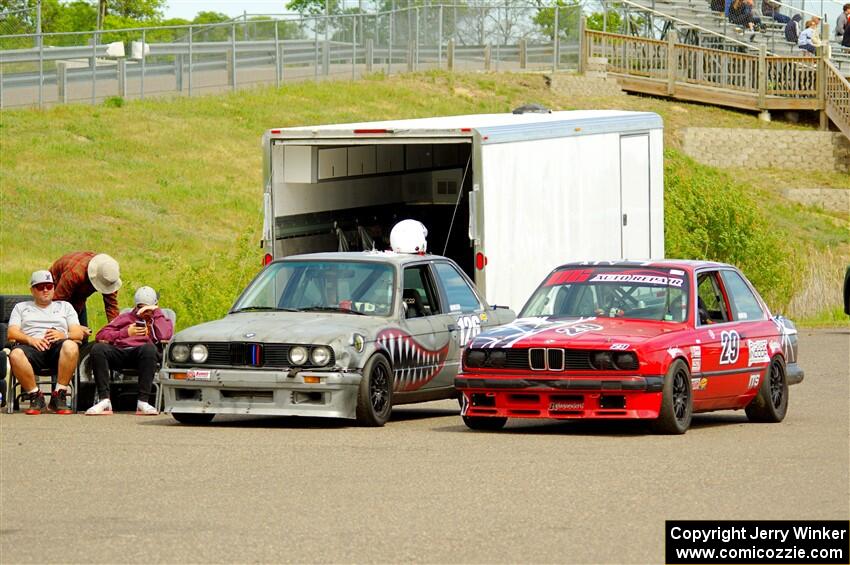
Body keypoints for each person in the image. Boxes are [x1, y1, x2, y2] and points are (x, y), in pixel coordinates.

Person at [85, 286, 174, 416]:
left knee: (149, 349)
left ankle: (143, 401)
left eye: (147, 308)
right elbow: (101, 335)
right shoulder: (126, 317)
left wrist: (155, 314)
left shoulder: (160, 320)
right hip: (121, 352)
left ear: (155, 306)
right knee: (98, 349)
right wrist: (125, 332)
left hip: (142, 355)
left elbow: (165, 336)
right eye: (140, 307)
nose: (143, 311)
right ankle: (104, 400)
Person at [7, 270, 84, 415]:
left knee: (71, 345)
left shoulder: (65, 307)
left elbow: (78, 333)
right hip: (32, 348)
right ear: (32, 290)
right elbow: (11, 333)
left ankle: (58, 396)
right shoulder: (21, 307)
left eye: (49, 286)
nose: (45, 290)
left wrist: (63, 334)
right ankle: (36, 396)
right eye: (40, 287)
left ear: (54, 288)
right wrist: (31, 339)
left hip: (57, 348)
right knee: (15, 354)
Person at [50, 251, 122, 330]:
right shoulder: (75, 274)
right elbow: (57, 304)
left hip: (79, 296)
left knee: (83, 336)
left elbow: (111, 307)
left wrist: (115, 330)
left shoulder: (109, 278)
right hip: (55, 288)